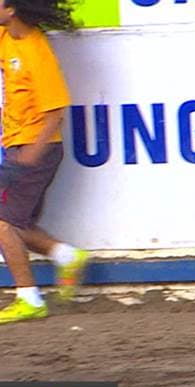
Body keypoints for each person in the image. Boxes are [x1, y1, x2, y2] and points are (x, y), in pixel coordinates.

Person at [0, 0, 88, 324]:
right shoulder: (6, 37)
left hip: (36, 150)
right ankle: (67, 256)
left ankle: (29, 299)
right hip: (16, 146)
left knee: (3, 224)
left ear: (12, 9)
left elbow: (55, 113)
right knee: (16, 225)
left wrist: (30, 156)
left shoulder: (37, 51)